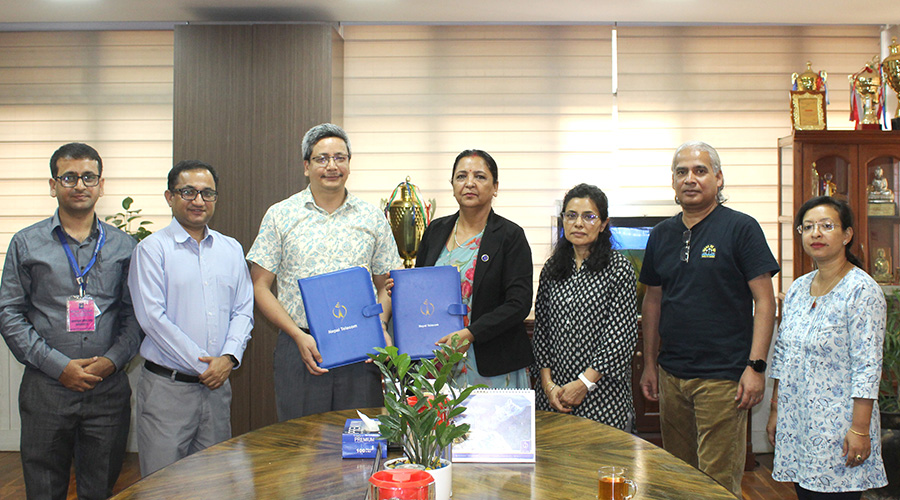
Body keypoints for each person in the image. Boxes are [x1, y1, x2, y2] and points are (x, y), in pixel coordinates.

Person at [0, 143, 141, 499]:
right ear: (53, 185)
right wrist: (59, 367)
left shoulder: (125, 246)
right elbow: (9, 313)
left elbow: (135, 315)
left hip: (106, 390)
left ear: (101, 185)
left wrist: (110, 362)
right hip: (47, 388)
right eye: (69, 177)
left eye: (89, 177)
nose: (80, 185)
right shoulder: (25, 243)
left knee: (99, 488)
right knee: (43, 489)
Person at [638, 141, 779, 496]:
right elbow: (653, 301)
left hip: (724, 378)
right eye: (681, 172)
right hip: (672, 375)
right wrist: (650, 364)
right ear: (673, 182)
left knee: (718, 485)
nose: (690, 179)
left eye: (700, 171)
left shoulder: (741, 228)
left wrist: (756, 367)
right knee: (680, 478)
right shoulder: (661, 234)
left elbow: (765, 302)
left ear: (718, 178)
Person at [247, 123, 401, 421]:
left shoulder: (371, 217)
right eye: (322, 159)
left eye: (340, 158)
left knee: (360, 435)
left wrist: (379, 326)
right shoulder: (280, 215)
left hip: (361, 350)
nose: (332, 166)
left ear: (349, 164)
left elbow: (387, 285)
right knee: (302, 442)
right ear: (306, 166)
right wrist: (296, 335)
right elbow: (259, 286)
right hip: (301, 346)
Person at [129, 160, 254, 476]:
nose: (199, 200)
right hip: (167, 390)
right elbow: (152, 319)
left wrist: (229, 357)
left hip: (216, 390)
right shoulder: (151, 250)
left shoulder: (230, 249)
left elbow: (243, 310)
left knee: (215, 482)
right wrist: (205, 366)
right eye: (188, 192)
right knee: (162, 485)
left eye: (207, 193)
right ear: (170, 197)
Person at [767, 196, 888, 499]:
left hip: (839, 428)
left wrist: (859, 429)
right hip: (798, 423)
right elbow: (783, 355)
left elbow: (868, 366)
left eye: (826, 226)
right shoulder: (798, 288)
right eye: (808, 227)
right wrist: (775, 410)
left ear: (847, 235)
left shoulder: (862, 291)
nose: (816, 233)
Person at [415, 149, 533, 388]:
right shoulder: (435, 230)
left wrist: (471, 333)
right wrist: (400, 289)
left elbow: (518, 303)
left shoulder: (510, 236)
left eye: (479, 176)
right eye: (461, 176)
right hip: (439, 359)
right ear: (452, 185)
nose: (469, 183)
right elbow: (420, 287)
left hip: (492, 365)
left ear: (495, 187)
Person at [532, 183, 637, 430]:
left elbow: (619, 338)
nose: (578, 223)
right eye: (571, 215)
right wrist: (548, 385)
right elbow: (542, 332)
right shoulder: (552, 268)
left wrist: (584, 384)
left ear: (603, 224)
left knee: (601, 455)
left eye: (589, 216)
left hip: (603, 396)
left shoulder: (619, 269)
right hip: (554, 395)